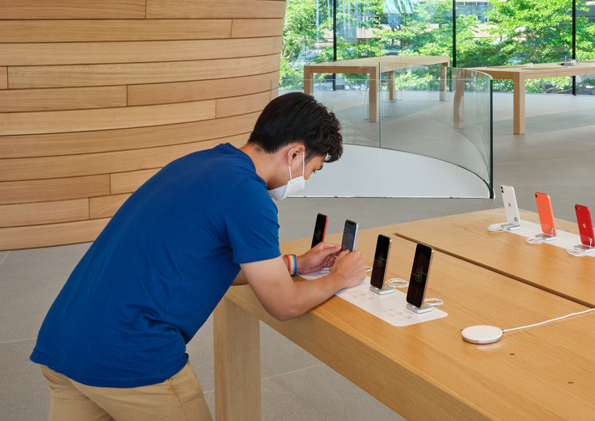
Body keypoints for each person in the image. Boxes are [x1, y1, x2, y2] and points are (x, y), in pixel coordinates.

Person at [31, 92, 365, 420]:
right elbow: (284, 304)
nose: (304, 180)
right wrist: (340, 277)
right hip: (130, 354)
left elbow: (211, 265)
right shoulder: (249, 196)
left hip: (65, 341)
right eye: (312, 170)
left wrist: (295, 263)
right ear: (295, 154)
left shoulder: (200, 162)